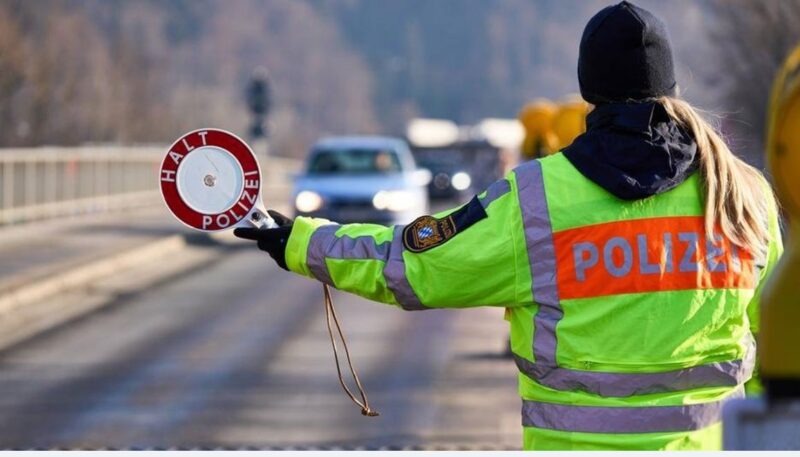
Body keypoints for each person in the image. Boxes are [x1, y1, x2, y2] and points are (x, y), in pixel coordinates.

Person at [235, 1, 783, 450]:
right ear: (670, 84)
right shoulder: (742, 196)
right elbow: (775, 340)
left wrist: (297, 241)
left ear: (588, 88)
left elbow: (414, 266)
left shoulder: (539, 199)